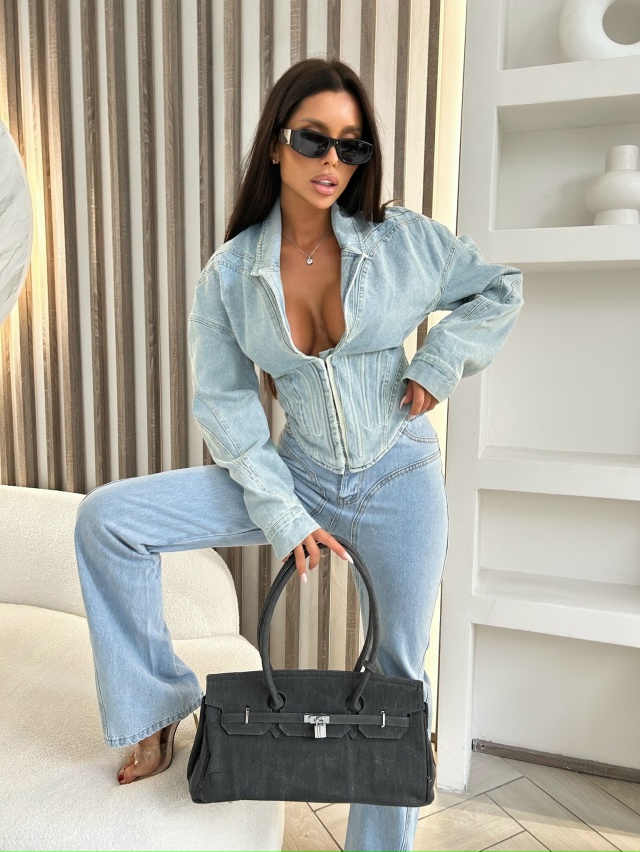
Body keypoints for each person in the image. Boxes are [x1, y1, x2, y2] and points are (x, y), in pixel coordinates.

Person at [75, 57, 523, 851]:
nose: (332, 161)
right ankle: (156, 709)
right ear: (277, 144)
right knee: (109, 520)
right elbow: (225, 406)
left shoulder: (401, 241)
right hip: (297, 478)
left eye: (352, 146)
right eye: (314, 139)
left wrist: (439, 361)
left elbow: (499, 287)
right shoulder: (230, 275)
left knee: (398, 673)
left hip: (400, 478)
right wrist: (283, 513)